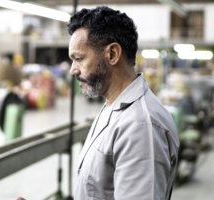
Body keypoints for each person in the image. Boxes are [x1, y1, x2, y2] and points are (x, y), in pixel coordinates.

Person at [67, 6, 179, 200]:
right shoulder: (113, 106)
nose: (73, 70)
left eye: (79, 59)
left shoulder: (141, 126)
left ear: (112, 54)